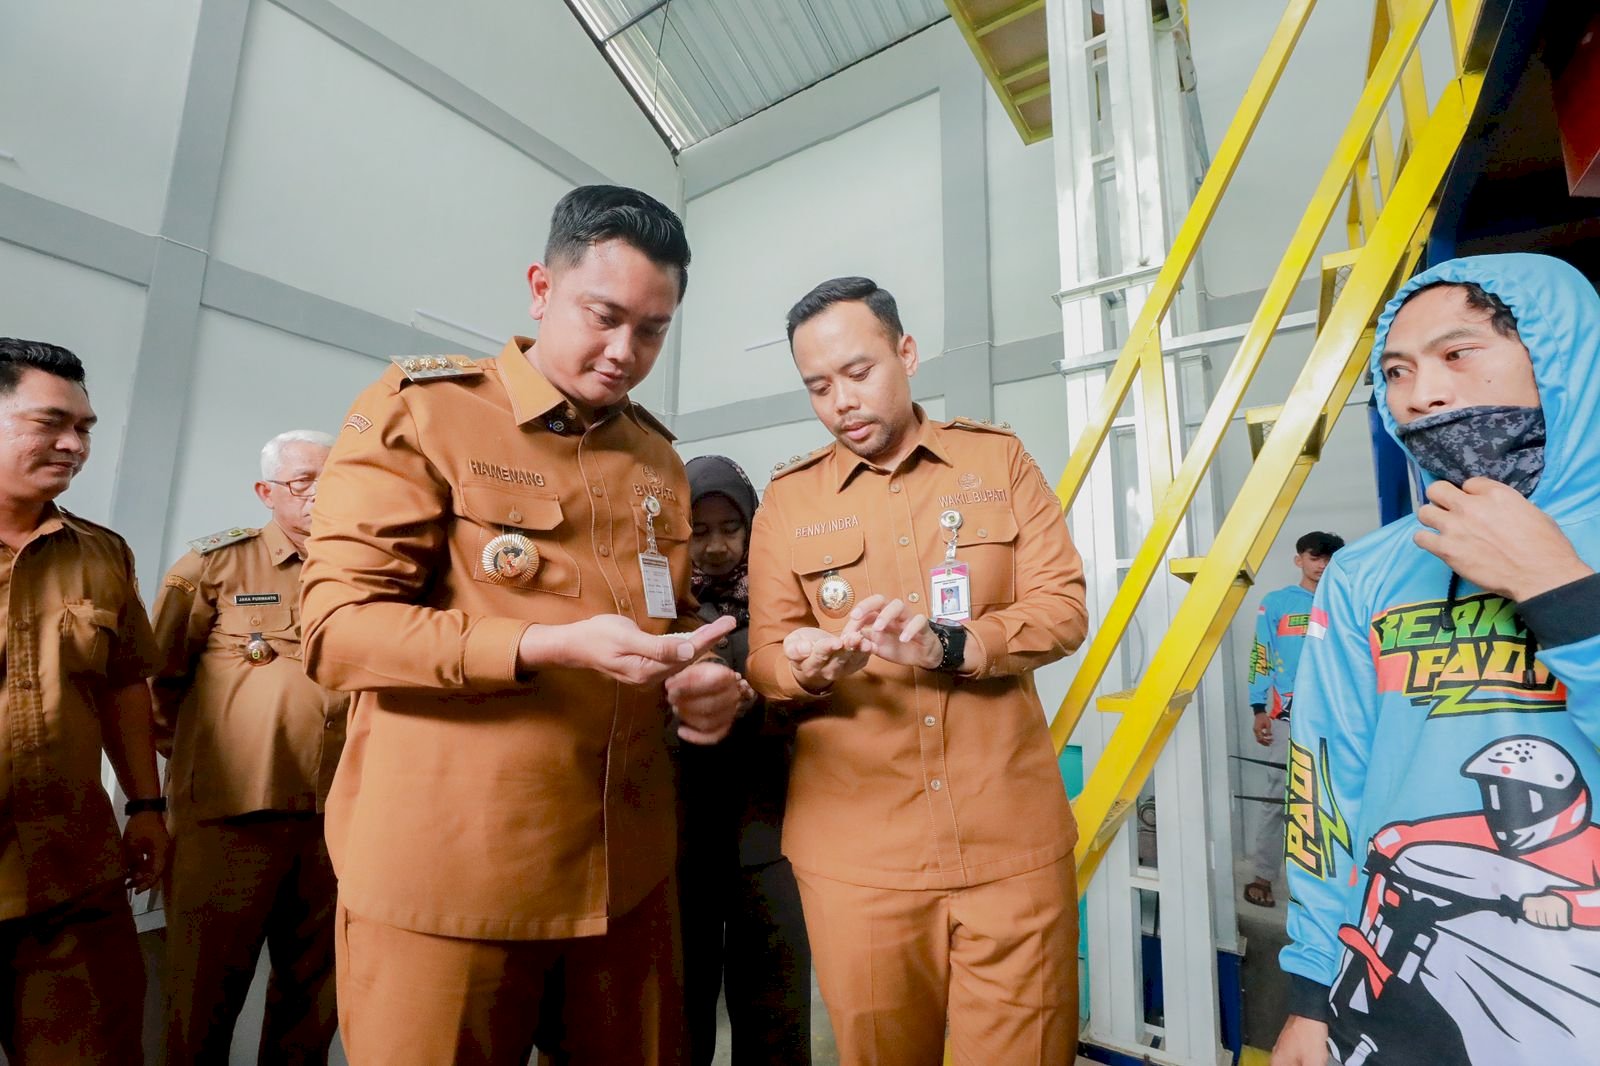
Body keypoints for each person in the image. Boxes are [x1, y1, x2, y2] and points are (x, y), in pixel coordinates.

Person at [298, 185, 745, 1066]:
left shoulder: (657, 457)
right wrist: (547, 644)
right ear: (542, 288)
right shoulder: (424, 410)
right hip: (453, 880)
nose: (624, 353)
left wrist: (699, 681)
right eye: (604, 317)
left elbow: (674, 617)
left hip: (625, 880)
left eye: (652, 331)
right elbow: (337, 631)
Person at [746, 277, 1089, 1065]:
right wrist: (808, 666)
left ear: (906, 353)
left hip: (1009, 846)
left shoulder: (997, 460)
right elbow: (766, 657)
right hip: (859, 859)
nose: (841, 402)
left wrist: (950, 645)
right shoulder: (789, 501)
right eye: (818, 387)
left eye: (858, 372)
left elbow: (1063, 607)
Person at [1273, 254, 1600, 1066]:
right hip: (1405, 1007)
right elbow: (1328, 783)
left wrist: (1560, 592)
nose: (1422, 394)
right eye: (1397, 372)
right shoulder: (1367, 573)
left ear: (1559, 360)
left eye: (1458, 354)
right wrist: (1313, 989)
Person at [150, 429, 348, 1064]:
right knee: (202, 997)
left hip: (339, 821)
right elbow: (158, 685)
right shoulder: (212, 565)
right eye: (303, 481)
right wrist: (206, 765)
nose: (320, 493)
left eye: (334, 478)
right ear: (266, 492)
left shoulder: (372, 573)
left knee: (313, 1005)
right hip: (231, 816)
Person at [0, 338, 166, 1062]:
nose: (74, 445)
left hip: (72, 878)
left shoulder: (102, 555)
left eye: (84, 428)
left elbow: (124, 683)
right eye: (51, 423)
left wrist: (146, 804)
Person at [677, 454, 811, 1066]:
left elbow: (810, 702)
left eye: (730, 529)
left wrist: (756, 703)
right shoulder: (660, 608)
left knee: (774, 1004)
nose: (715, 547)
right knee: (682, 1004)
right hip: (681, 839)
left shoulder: (781, 605)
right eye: (698, 531)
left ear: (753, 527)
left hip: (770, 835)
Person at [1243, 530, 1344, 909]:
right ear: (1299, 560)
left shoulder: (1348, 600)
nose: (1322, 566)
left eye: (1328, 559)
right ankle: (1263, 875)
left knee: (1334, 796)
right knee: (1277, 796)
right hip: (1287, 715)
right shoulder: (1276, 603)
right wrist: (1258, 708)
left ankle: (1329, 883)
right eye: (1315, 557)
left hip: (1339, 715)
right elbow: (1261, 654)